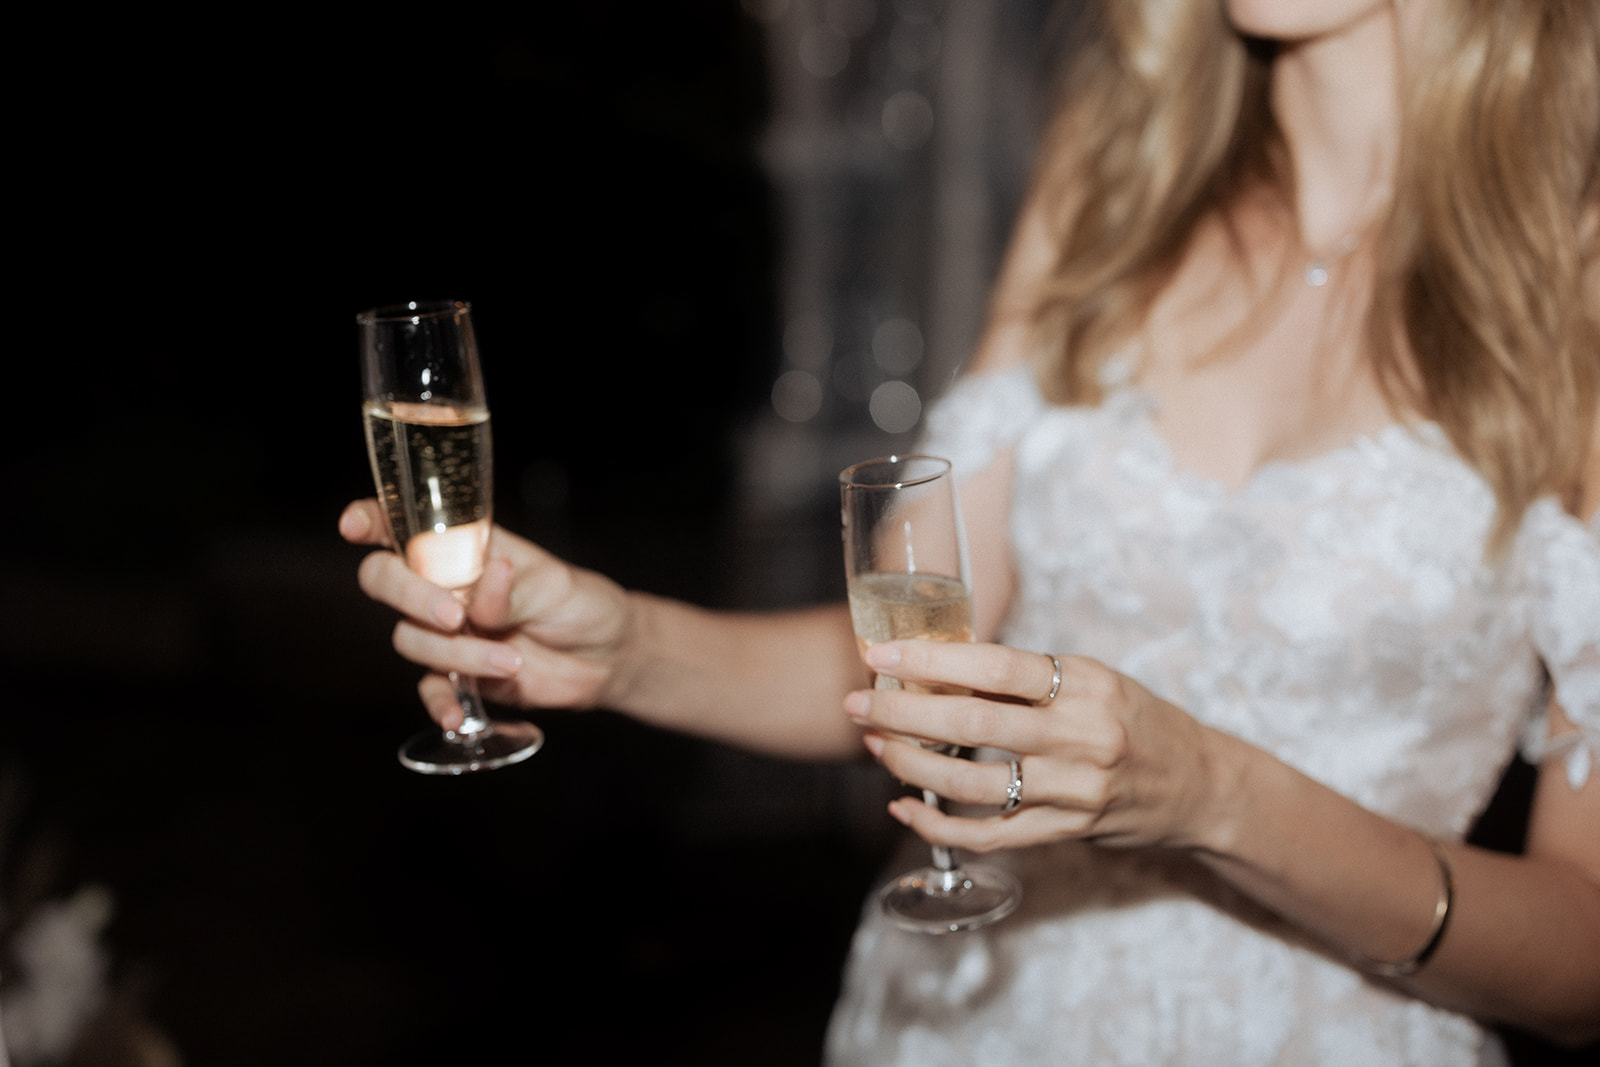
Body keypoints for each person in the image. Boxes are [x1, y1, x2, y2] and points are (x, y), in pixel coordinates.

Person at [340, 0, 1600, 1062]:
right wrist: (623, 649)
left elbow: (1583, 955)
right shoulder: (1119, 181)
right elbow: (913, 654)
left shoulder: (1581, 280)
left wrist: (1210, 793)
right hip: (966, 1011)